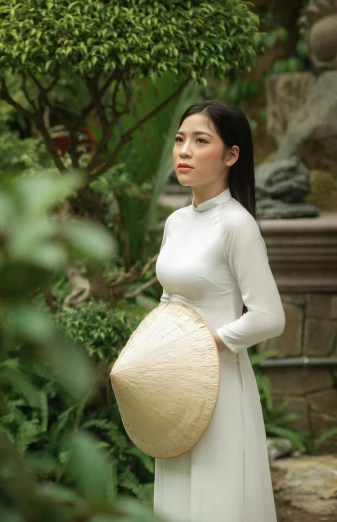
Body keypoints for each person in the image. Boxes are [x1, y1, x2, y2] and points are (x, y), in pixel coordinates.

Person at [154, 100, 285, 522]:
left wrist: (204, 346)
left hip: (220, 384)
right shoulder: (176, 222)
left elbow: (268, 316)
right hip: (174, 381)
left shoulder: (235, 224)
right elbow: (168, 299)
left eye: (200, 141)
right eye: (179, 140)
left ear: (231, 155)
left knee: (217, 501)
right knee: (177, 493)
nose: (184, 151)